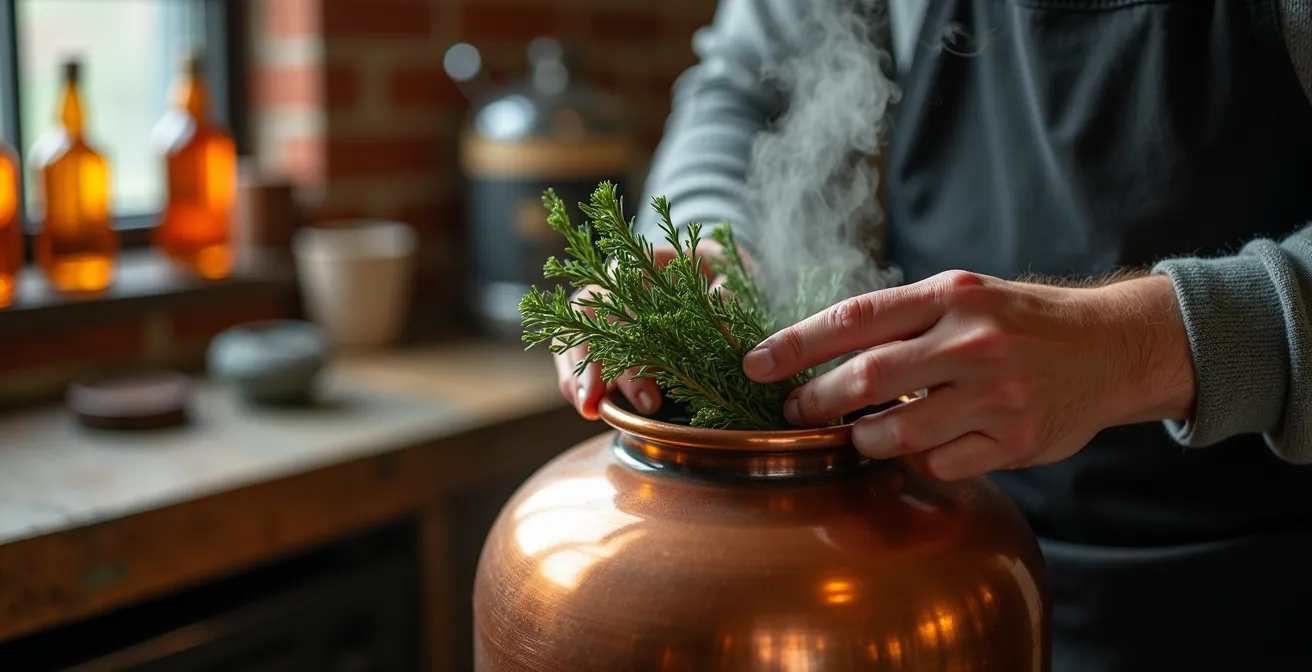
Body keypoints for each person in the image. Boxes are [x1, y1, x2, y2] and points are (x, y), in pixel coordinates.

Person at [553, 0, 1312, 669]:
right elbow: (744, 85)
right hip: (938, 544)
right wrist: (707, 248)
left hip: (1268, 581)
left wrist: (1143, 342)